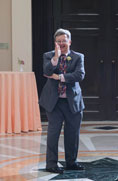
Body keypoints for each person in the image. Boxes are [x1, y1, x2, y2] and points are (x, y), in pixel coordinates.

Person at [39, 28, 86, 174]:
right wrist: (55, 58)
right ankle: (51, 164)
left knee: (73, 134)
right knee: (53, 133)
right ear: (55, 43)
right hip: (54, 102)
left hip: (73, 102)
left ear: (69, 41)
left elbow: (80, 75)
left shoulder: (78, 57)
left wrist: (60, 77)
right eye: (58, 41)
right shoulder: (48, 56)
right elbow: (47, 72)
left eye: (64, 41)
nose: (61, 44)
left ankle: (71, 162)